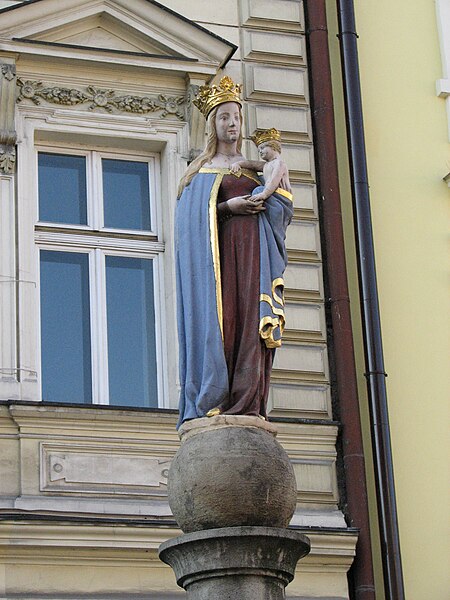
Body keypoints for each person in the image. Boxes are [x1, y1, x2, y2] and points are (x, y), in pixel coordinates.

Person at [176, 77, 293, 427]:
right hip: (219, 266)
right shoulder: (198, 173)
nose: (232, 124)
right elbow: (188, 225)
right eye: (224, 116)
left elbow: (280, 214)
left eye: (237, 118)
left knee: (251, 324)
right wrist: (229, 206)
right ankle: (216, 400)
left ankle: (248, 401)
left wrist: (279, 192)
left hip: (254, 260)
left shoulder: (256, 168)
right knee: (223, 323)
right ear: (213, 123)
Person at [230, 128, 292, 203]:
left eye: (262, 148)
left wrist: (264, 194)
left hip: (280, 197)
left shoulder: (279, 164)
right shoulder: (266, 165)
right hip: (272, 195)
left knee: (258, 190)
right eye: (259, 150)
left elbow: (274, 181)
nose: (260, 152)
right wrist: (237, 164)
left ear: (273, 146)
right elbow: (251, 164)